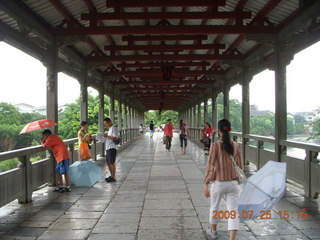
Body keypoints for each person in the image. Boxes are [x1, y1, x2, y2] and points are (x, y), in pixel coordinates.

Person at [203, 119, 243, 240]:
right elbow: (240, 166)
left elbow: (210, 165)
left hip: (219, 183)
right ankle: (232, 239)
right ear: (230, 129)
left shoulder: (215, 146)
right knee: (233, 211)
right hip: (233, 183)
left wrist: (206, 183)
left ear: (218, 130)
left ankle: (213, 231)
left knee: (214, 207)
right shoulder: (236, 145)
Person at [96, 117, 119, 183]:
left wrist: (107, 136)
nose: (105, 125)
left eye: (106, 123)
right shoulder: (109, 129)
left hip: (112, 147)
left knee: (112, 162)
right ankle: (111, 176)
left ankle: (113, 177)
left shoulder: (114, 128)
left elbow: (115, 138)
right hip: (108, 147)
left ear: (109, 122)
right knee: (108, 163)